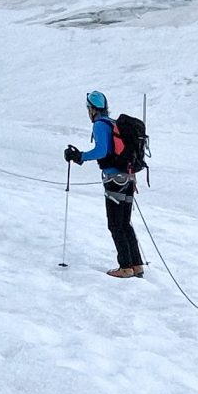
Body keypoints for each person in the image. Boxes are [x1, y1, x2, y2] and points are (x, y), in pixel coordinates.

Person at [64, 90, 143, 277]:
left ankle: (125, 267)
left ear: (92, 109)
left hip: (114, 180)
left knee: (115, 224)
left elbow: (101, 150)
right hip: (128, 178)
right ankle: (136, 264)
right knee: (125, 223)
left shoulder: (100, 125)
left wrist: (80, 156)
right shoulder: (113, 122)